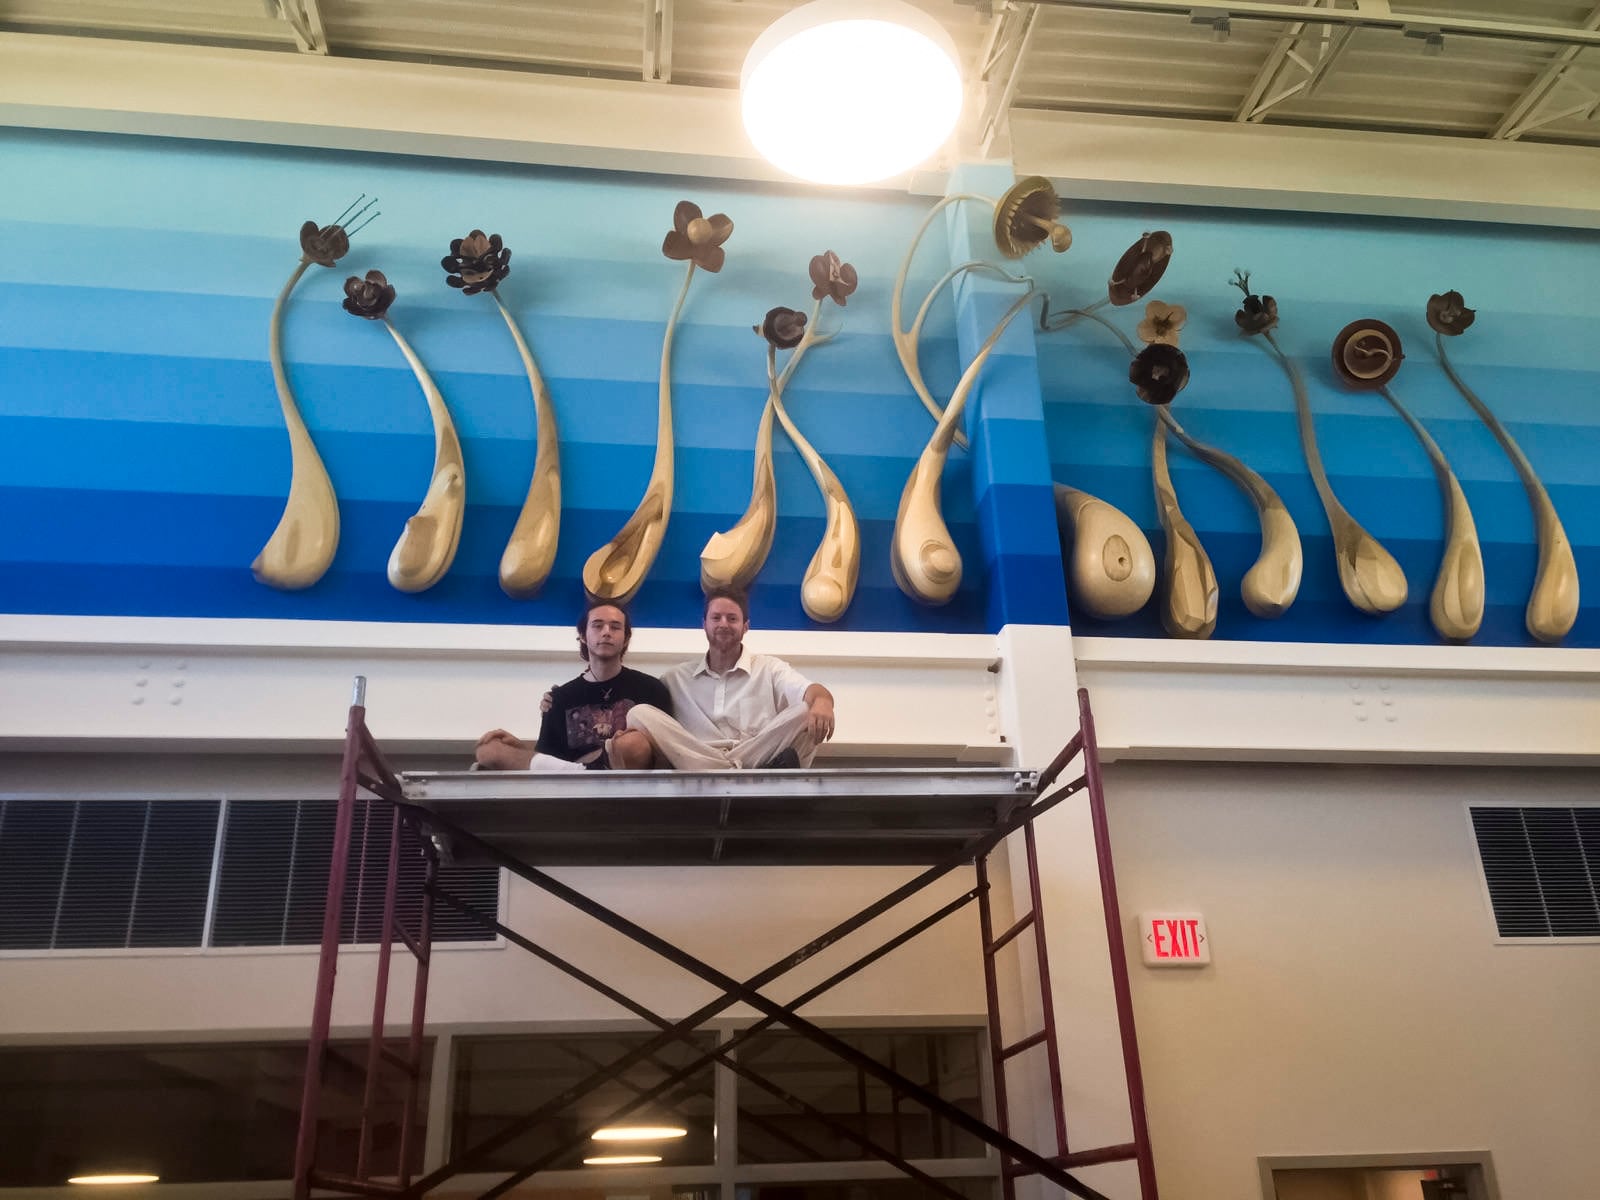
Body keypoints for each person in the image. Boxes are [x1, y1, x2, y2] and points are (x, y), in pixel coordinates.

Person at [615, 586, 835, 770]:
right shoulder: (675, 678)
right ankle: (730, 772)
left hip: (756, 758)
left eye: (732, 618)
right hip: (698, 759)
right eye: (716, 617)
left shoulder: (769, 668)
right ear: (704, 624)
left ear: (745, 626)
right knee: (639, 713)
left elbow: (812, 691)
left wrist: (824, 701)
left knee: (807, 710)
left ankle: (730, 773)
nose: (723, 624)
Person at [475, 602, 671, 772]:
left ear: (626, 639)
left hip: (629, 783)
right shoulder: (560, 697)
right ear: (583, 636)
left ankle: (587, 770)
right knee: (489, 749)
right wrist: (520, 748)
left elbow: (664, 754)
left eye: (615, 627)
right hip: (572, 786)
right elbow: (547, 758)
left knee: (632, 744)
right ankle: (582, 772)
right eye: (597, 625)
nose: (606, 632)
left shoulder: (651, 688)